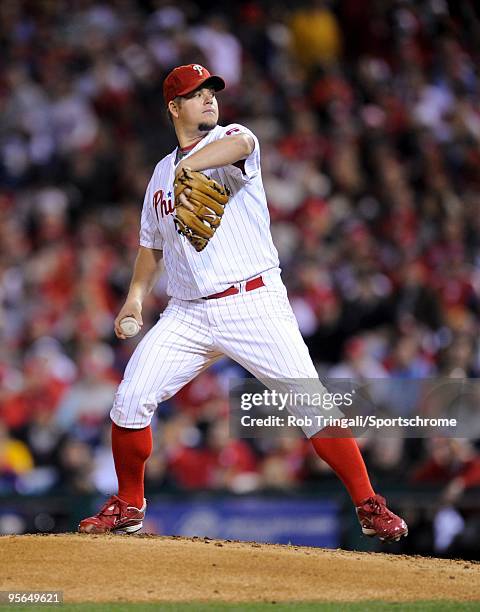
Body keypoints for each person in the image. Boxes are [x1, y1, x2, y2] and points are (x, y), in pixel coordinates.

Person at [78, 64, 408, 543]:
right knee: (129, 400)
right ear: (175, 107)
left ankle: (367, 503)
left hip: (253, 301)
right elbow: (151, 245)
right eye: (196, 94)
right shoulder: (158, 177)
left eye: (212, 90)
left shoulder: (232, 137)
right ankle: (129, 506)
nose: (209, 98)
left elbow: (244, 146)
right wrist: (133, 299)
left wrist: (191, 167)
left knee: (310, 402)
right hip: (188, 312)